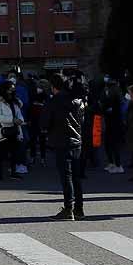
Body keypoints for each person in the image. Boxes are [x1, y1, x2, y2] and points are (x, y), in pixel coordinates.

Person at [43, 75, 86, 220]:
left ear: (54, 87)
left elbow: (45, 122)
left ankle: (68, 209)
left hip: (62, 141)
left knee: (66, 177)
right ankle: (79, 209)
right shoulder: (78, 101)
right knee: (76, 176)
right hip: (77, 140)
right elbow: (82, 120)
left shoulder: (54, 101)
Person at [0, 82, 26, 181]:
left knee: (14, 153)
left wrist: (20, 120)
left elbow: (19, 114)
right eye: (10, 89)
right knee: (1, 154)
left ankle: (13, 172)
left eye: (13, 89)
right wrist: (12, 120)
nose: (12, 90)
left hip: (14, 130)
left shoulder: (15, 102)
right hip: (3, 131)